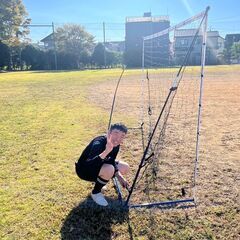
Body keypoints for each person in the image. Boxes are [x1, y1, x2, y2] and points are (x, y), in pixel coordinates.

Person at [75, 123, 129, 206]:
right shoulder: (99, 142)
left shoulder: (116, 145)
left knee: (124, 167)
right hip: (84, 171)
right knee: (109, 169)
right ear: (109, 132)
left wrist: (119, 176)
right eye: (116, 133)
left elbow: (111, 160)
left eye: (122, 136)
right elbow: (89, 164)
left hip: (97, 166)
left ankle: (100, 181)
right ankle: (96, 193)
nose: (118, 139)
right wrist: (106, 151)